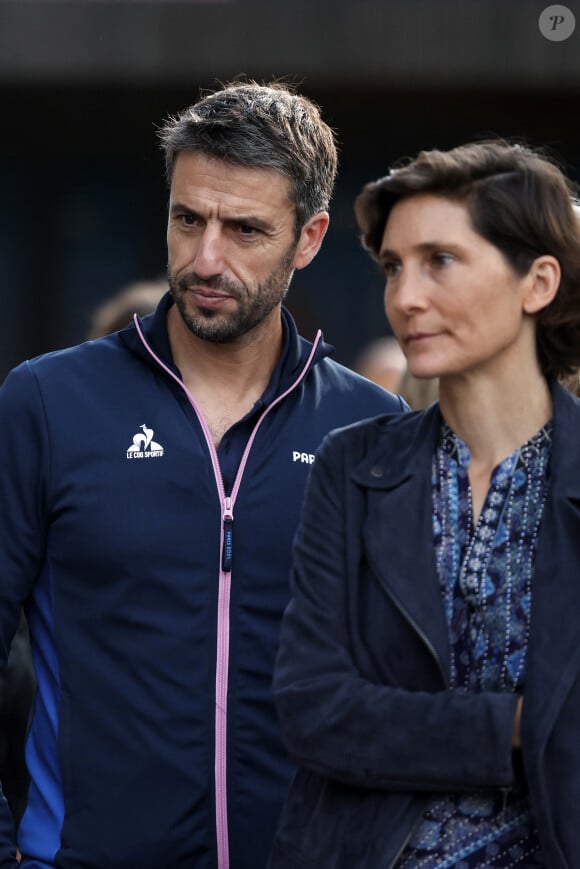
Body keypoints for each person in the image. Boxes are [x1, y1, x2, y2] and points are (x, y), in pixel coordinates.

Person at [0, 81, 407, 869]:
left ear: (310, 235)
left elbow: (397, 687)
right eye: (188, 219)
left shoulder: (371, 425)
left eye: (245, 229)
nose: (205, 258)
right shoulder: (47, 401)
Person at [270, 141, 580, 868]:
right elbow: (313, 707)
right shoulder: (354, 464)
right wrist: (514, 725)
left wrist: (402, 722)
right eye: (393, 267)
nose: (406, 297)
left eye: (441, 260)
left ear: (537, 283)